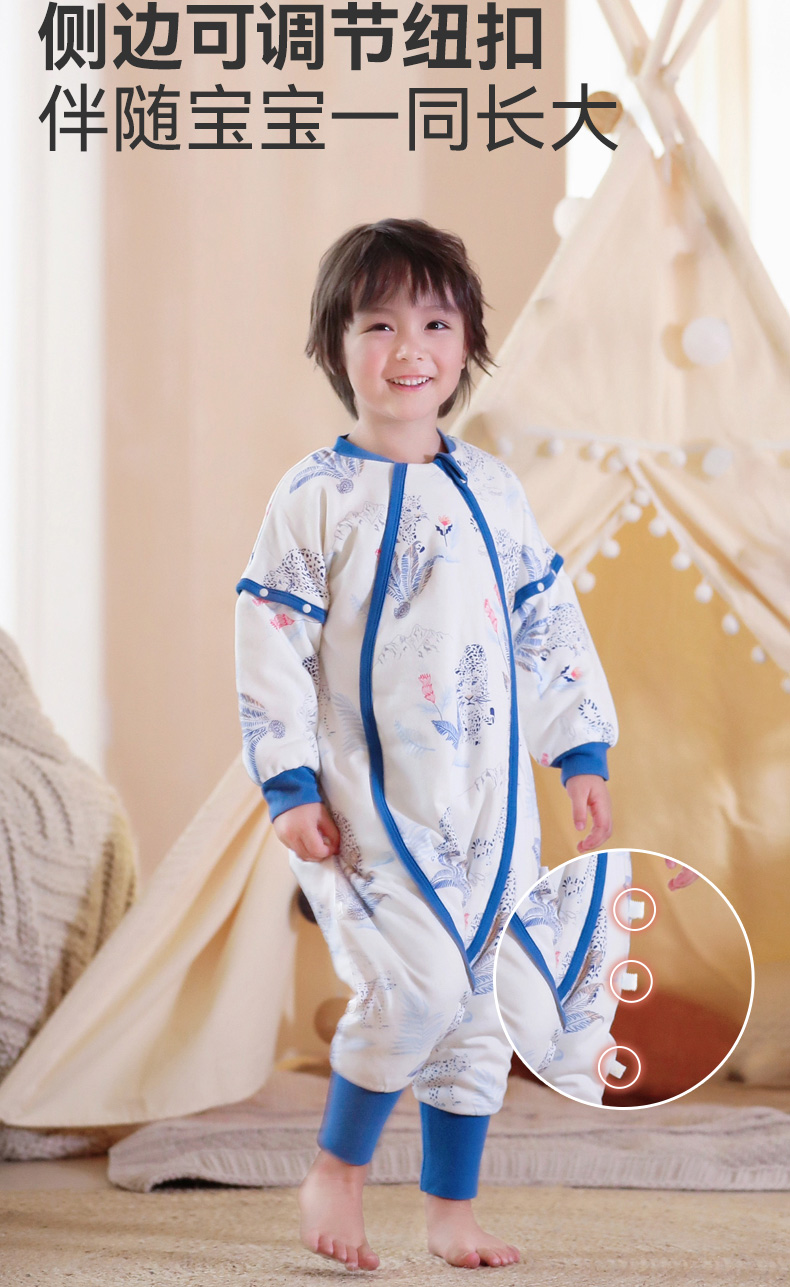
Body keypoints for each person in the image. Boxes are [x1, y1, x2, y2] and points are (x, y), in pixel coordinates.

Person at [234, 218, 618, 1270]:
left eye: (437, 324)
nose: (410, 347)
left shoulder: (491, 487)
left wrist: (579, 752)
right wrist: (287, 783)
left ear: (468, 345)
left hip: (490, 805)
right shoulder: (316, 496)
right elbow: (271, 635)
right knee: (414, 987)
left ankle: (452, 1210)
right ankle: (339, 1167)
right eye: (379, 324)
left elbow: (546, 616)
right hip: (367, 801)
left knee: (484, 1002)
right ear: (335, 345)